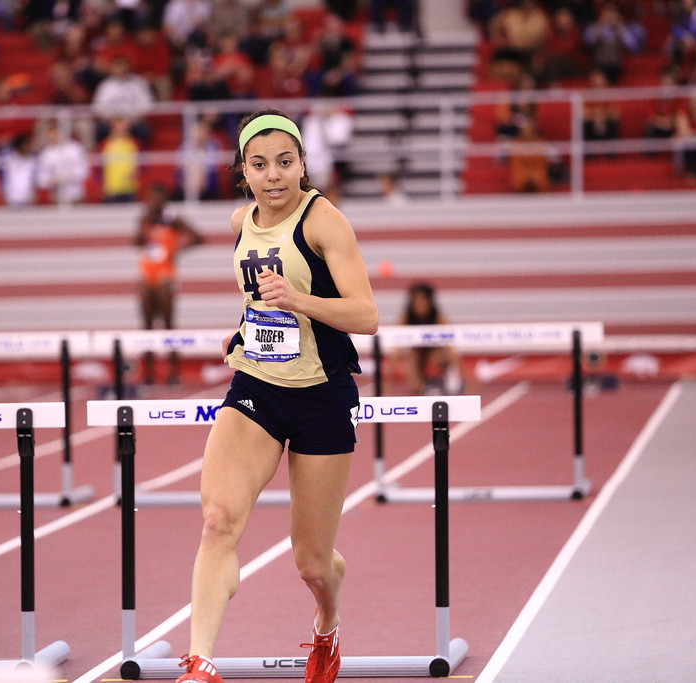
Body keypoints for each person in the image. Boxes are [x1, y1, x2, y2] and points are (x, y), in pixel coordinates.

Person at [174, 110, 378, 683]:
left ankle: (327, 623)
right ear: (244, 171)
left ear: (303, 164)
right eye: (260, 165)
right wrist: (244, 330)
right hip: (256, 387)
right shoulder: (242, 220)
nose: (274, 176)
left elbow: (367, 315)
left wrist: (299, 301)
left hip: (321, 397)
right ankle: (200, 664)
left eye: (285, 163)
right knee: (218, 520)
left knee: (312, 562)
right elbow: (257, 295)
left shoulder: (325, 222)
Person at [135, 182, 204, 384]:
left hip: (166, 275)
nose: (152, 202)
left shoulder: (173, 220)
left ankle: (173, 373)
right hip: (147, 275)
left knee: (168, 325)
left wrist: (177, 250)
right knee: (146, 326)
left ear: (163, 201)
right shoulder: (144, 220)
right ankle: (148, 373)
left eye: (156, 198)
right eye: (149, 199)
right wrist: (145, 224)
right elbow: (136, 242)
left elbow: (199, 237)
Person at [394, 281, 464, 395]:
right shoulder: (406, 316)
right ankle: (422, 385)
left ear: (430, 301)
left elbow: (450, 344)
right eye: (416, 300)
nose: (419, 303)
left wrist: (464, 376)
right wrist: (384, 385)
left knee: (443, 354)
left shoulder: (437, 316)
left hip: (435, 353)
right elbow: (395, 344)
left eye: (423, 299)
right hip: (416, 354)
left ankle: (446, 378)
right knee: (414, 383)